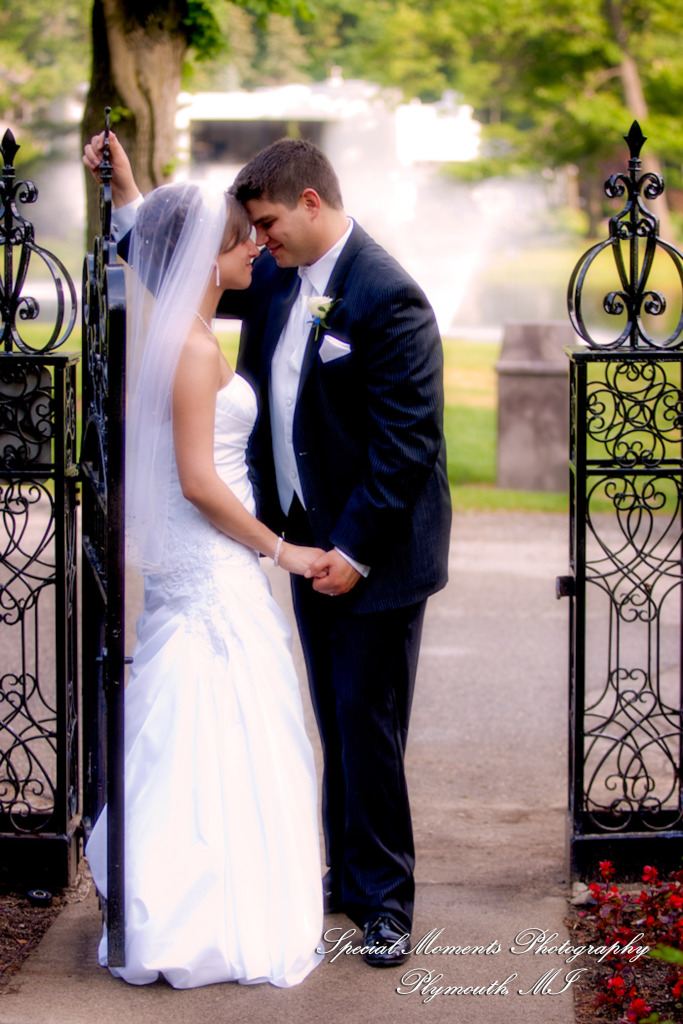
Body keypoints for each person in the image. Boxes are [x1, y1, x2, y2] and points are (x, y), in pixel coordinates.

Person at [83, 133, 452, 968]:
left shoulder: (386, 297)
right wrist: (132, 194)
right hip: (299, 538)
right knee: (329, 715)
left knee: (370, 726)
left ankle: (385, 900)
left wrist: (347, 552)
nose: (258, 239)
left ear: (310, 204)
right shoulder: (279, 279)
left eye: (267, 221)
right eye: (248, 228)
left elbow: (407, 448)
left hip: (374, 553)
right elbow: (181, 260)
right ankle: (341, 880)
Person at [83, 174, 325, 989]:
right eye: (238, 237)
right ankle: (197, 911)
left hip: (209, 560)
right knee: (211, 720)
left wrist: (129, 190)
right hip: (212, 554)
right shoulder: (189, 348)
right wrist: (279, 551)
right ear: (205, 255)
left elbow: (167, 231)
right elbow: (196, 480)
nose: (254, 245)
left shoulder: (185, 329)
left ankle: (217, 892)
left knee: (213, 721)